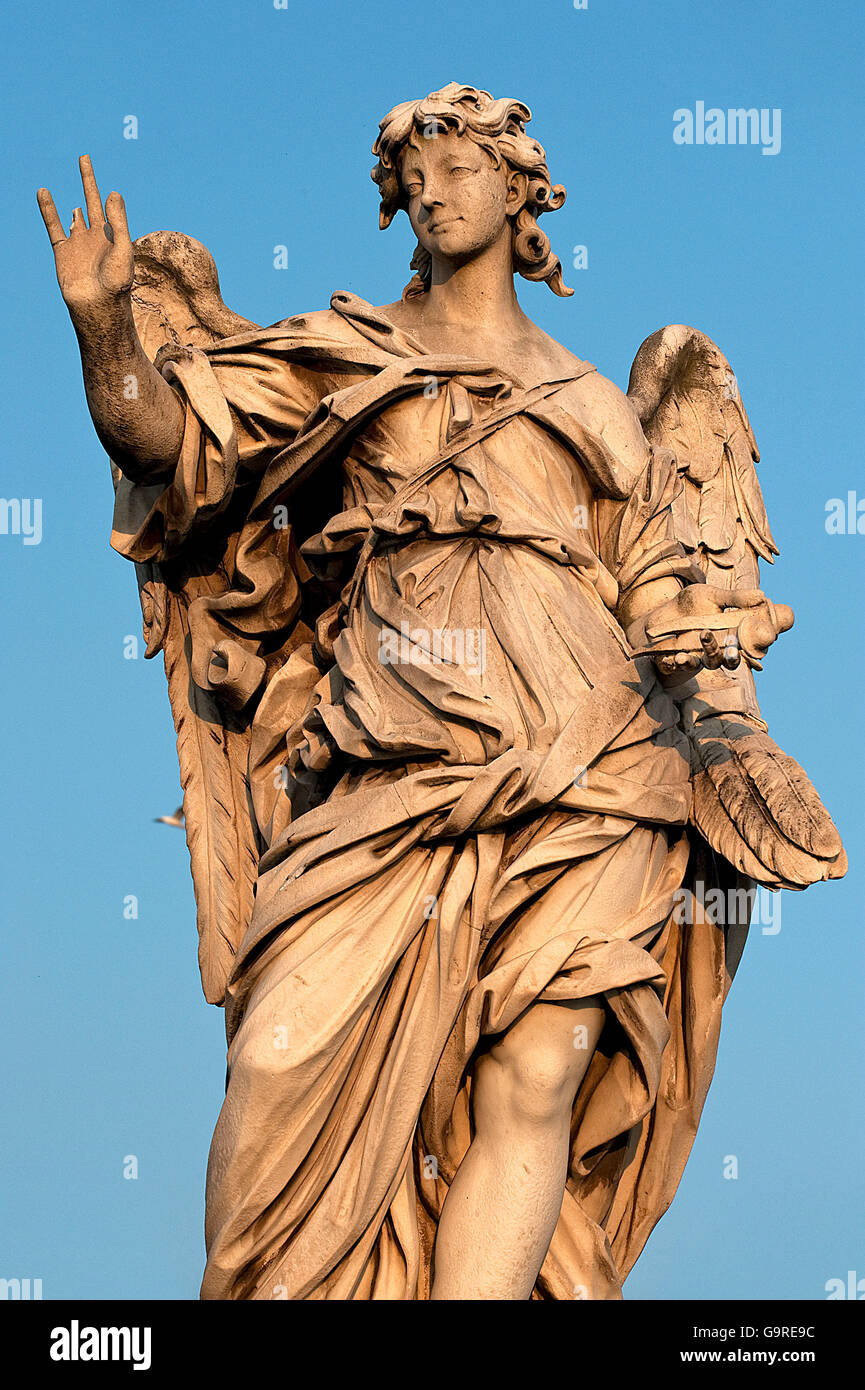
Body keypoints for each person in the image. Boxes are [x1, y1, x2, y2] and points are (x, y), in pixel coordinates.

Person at [38, 82, 839, 1300]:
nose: (431, 185)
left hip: (590, 768)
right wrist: (105, 330)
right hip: (388, 775)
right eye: (413, 169)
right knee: (276, 1060)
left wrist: (731, 739)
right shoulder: (347, 352)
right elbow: (172, 452)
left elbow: (677, 607)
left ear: (520, 187)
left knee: (540, 1072)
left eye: (460, 163)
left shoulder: (600, 404)